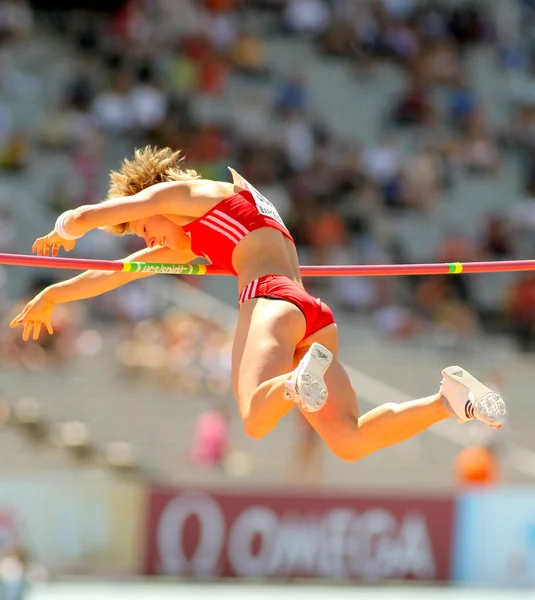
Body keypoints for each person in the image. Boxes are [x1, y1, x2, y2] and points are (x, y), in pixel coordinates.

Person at [9, 147, 506, 462]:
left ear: (155, 200)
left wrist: (67, 226)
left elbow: (99, 212)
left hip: (269, 300)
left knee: (254, 417)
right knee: (349, 441)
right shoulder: (205, 224)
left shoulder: (189, 192)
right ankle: (448, 400)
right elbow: (116, 273)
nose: (145, 235)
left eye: (145, 228)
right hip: (311, 313)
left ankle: (293, 382)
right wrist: (54, 293)